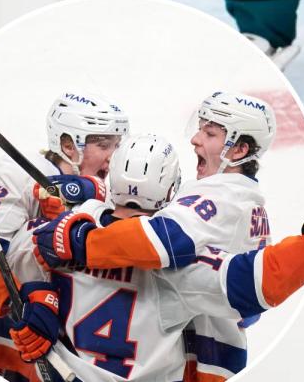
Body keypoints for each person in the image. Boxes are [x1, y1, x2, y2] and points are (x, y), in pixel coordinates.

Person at [5, 133, 304, 382]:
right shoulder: (180, 268)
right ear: (172, 191)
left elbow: (13, 263)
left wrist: (35, 295)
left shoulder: (55, 234)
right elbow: (260, 282)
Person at [31, 91, 276, 380]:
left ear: (240, 150)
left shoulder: (219, 202)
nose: (195, 139)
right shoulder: (250, 204)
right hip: (206, 358)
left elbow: (162, 239)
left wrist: (77, 240)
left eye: (209, 133)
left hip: (187, 357)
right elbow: (249, 311)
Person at [0, 92, 128, 379]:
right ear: (68, 145)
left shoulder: (114, 188)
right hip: (2, 351)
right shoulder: (17, 173)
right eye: (103, 145)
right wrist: (24, 300)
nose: (113, 156)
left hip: (73, 356)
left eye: (117, 145)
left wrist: (86, 198)